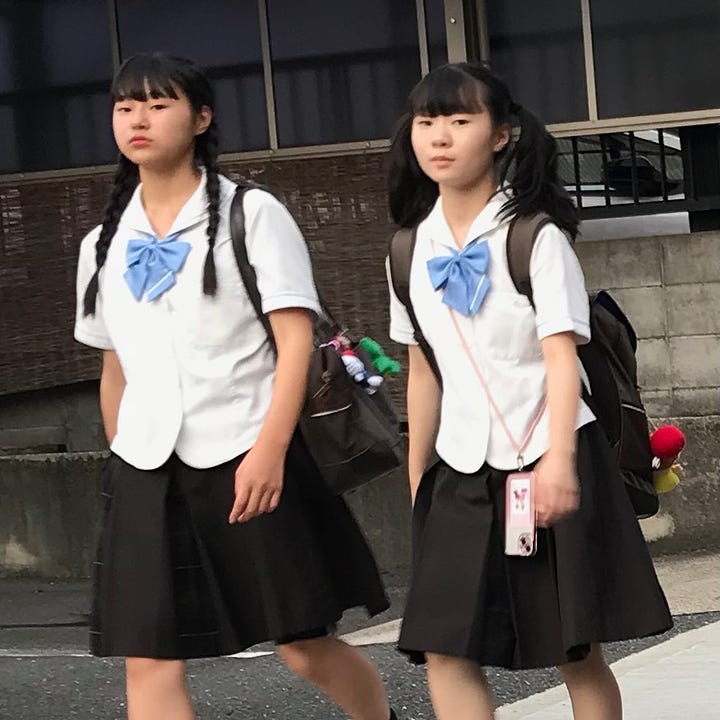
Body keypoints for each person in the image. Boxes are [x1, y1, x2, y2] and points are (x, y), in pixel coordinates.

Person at [74, 52, 396, 720]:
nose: (139, 118)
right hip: (144, 469)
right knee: (150, 660)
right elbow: (114, 367)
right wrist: (124, 454)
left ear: (201, 118)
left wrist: (271, 452)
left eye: (159, 104)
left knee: (303, 645)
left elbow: (296, 341)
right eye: (126, 105)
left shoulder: (253, 213)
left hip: (249, 452)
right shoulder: (101, 242)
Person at [386, 62, 672, 720]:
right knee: (444, 647)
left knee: (572, 650)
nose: (440, 135)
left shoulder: (534, 239)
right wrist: (417, 476)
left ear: (501, 135)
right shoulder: (406, 249)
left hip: (548, 455)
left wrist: (561, 466)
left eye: (461, 120)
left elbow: (560, 355)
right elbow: (423, 367)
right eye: (428, 121)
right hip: (458, 469)